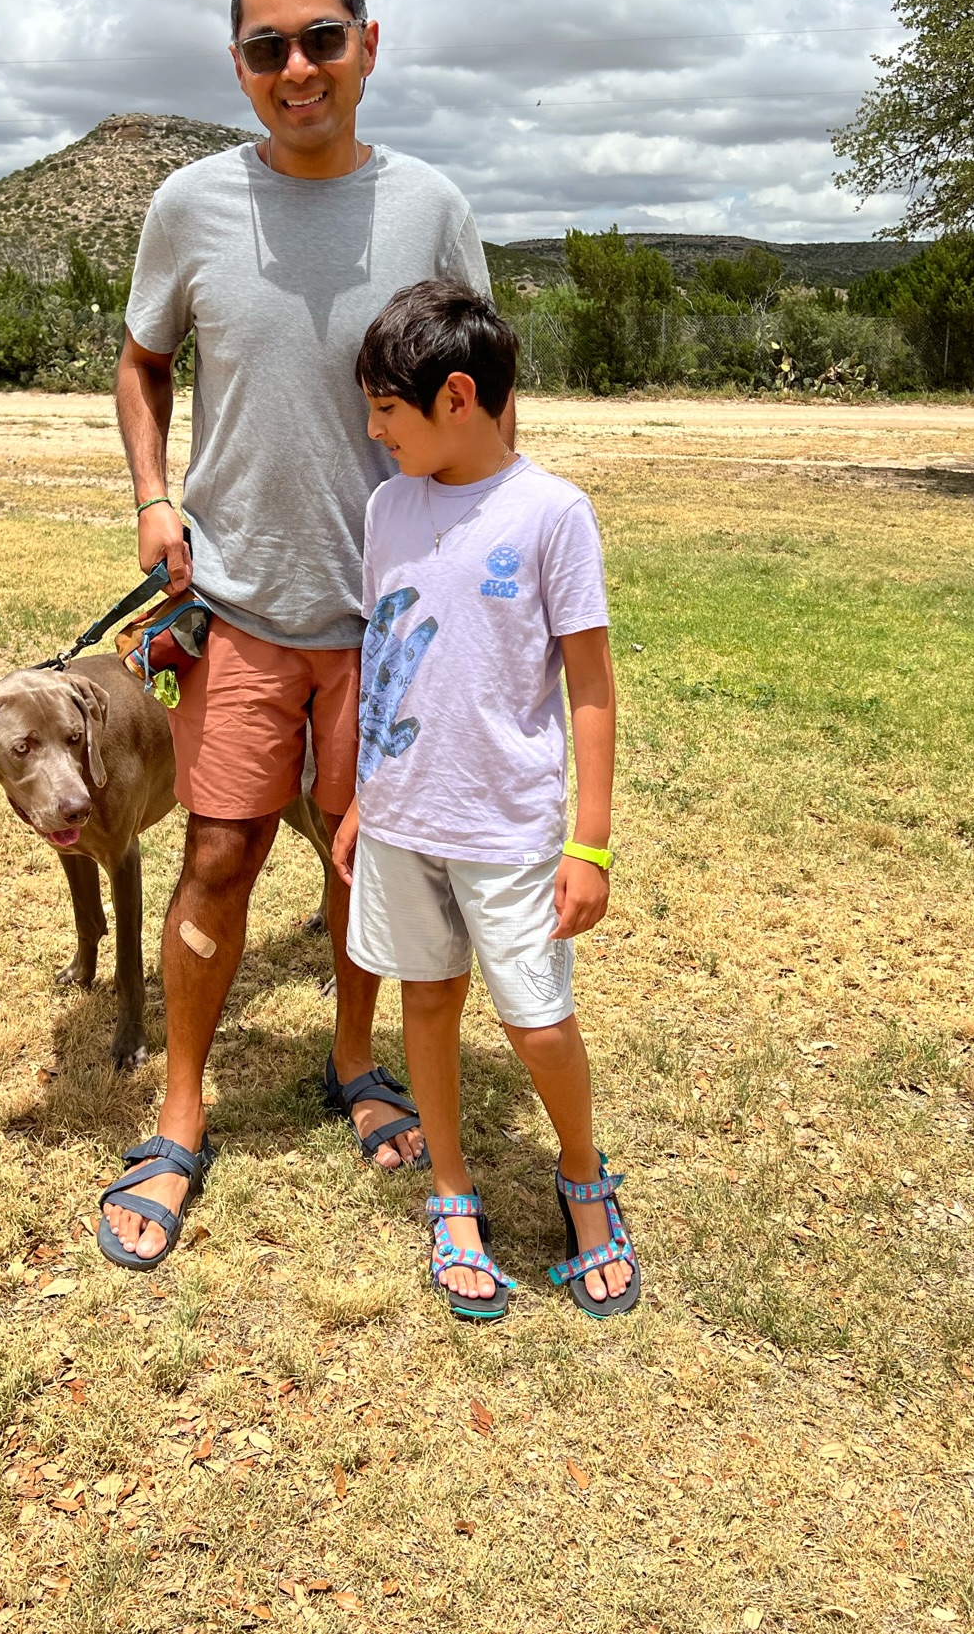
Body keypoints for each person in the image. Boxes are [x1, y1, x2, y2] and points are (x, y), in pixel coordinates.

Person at [98, 0, 500, 1269]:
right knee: (219, 854)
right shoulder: (189, 205)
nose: (297, 68)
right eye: (268, 47)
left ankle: (352, 1060)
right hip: (241, 607)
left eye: (322, 38)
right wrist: (158, 499)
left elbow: (480, 403)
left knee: (362, 856)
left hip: (391, 622)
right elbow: (143, 360)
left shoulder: (433, 207)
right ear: (239, 65)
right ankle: (180, 1104)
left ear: (367, 46)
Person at [331, 279, 639, 1321]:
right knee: (428, 997)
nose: (373, 432)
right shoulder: (387, 508)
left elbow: (589, 683)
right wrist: (367, 794)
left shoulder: (553, 513)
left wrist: (588, 845)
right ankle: (452, 1189)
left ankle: (584, 1176)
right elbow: (384, 654)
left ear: (456, 397)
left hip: (507, 829)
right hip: (405, 816)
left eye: (386, 409)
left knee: (537, 1018)